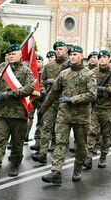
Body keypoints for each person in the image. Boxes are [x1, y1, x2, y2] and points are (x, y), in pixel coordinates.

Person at [40, 45, 96, 183]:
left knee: (81, 145)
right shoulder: (64, 74)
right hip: (64, 115)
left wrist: (72, 100)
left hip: (81, 116)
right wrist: (43, 109)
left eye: (75, 54)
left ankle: (77, 169)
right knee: (60, 143)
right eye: (70, 54)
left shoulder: (89, 74)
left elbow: (92, 94)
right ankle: (56, 172)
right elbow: (53, 93)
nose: (72, 57)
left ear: (81, 56)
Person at [0, 44, 35, 179]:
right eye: (9, 54)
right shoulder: (2, 68)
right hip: (2, 113)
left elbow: (30, 88)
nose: (11, 56)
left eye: (13, 54)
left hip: (19, 114)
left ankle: (15, 164)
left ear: (20, 55)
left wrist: (10, 94)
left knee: (17, 143)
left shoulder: (26, 71)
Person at [84, 50, 111, 169]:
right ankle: (88, 157)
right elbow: (87, 87)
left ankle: (103, 157)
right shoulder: (93, 72)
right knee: (91, 132)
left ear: (109, 59)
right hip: (94, 107)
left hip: (108, 108)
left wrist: (105, 90)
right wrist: (95, 90)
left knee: (105, 135)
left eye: (105, 57)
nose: (102, 59)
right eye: (100, 57)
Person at [31, 42, 68, 161]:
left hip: (63, 102)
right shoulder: (48, 66)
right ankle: (42, 153)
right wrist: (43, 91)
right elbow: (41, 82)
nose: (58, 51)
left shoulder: (70, 66)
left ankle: (58, 155)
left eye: (61, 49)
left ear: (66, 51)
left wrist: (53, 81)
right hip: (50, 101)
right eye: (56, 49)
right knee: (46, 126)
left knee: (60, 129)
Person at [26, 55, 44, 146]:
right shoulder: (30, 71)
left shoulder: (45, 71)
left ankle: (38, 141)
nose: (37, 64)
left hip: (42, 100)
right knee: (28, 118)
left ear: (42, 62)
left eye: (39, 62)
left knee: (41, 121)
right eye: (35, 62)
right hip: (32, 99)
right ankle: (25, 136)